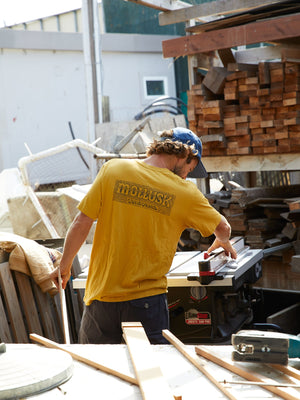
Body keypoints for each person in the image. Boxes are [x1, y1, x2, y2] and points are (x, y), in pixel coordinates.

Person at [51, 127, 237, 344]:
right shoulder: (184, 192)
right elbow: (224, 228)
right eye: (190, 168)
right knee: (149, 375)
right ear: (186, 155)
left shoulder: (113, 170)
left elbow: (81, 222)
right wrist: (222, 240)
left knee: (98, 373)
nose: (187, 176)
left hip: (101, 300)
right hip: (146, 304)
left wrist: (64, 266)